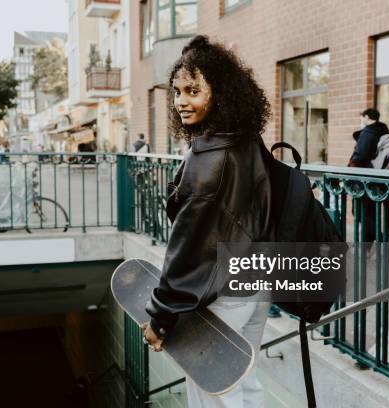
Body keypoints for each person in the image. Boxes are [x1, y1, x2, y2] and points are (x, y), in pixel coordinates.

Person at [141, 35, 273, 407]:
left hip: (222, 295)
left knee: (212, 394)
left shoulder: (207, 162)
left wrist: (161, 319)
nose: (182, 101)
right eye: (177, 91)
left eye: (193, 90)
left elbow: (186, 253)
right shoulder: (246, 140)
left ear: (221, 92)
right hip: (255, 283)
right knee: (245, 383)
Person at [348, 108, 389, 243]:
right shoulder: (382, 130)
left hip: (363, 178)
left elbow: (360, 155)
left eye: (362, 117)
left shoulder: (369, 132)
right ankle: (369, 245)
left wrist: (350, 168)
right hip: (376, 178)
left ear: (367, 117)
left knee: (360, 212)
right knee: (369, 213)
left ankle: (379, 239)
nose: (361, 120)